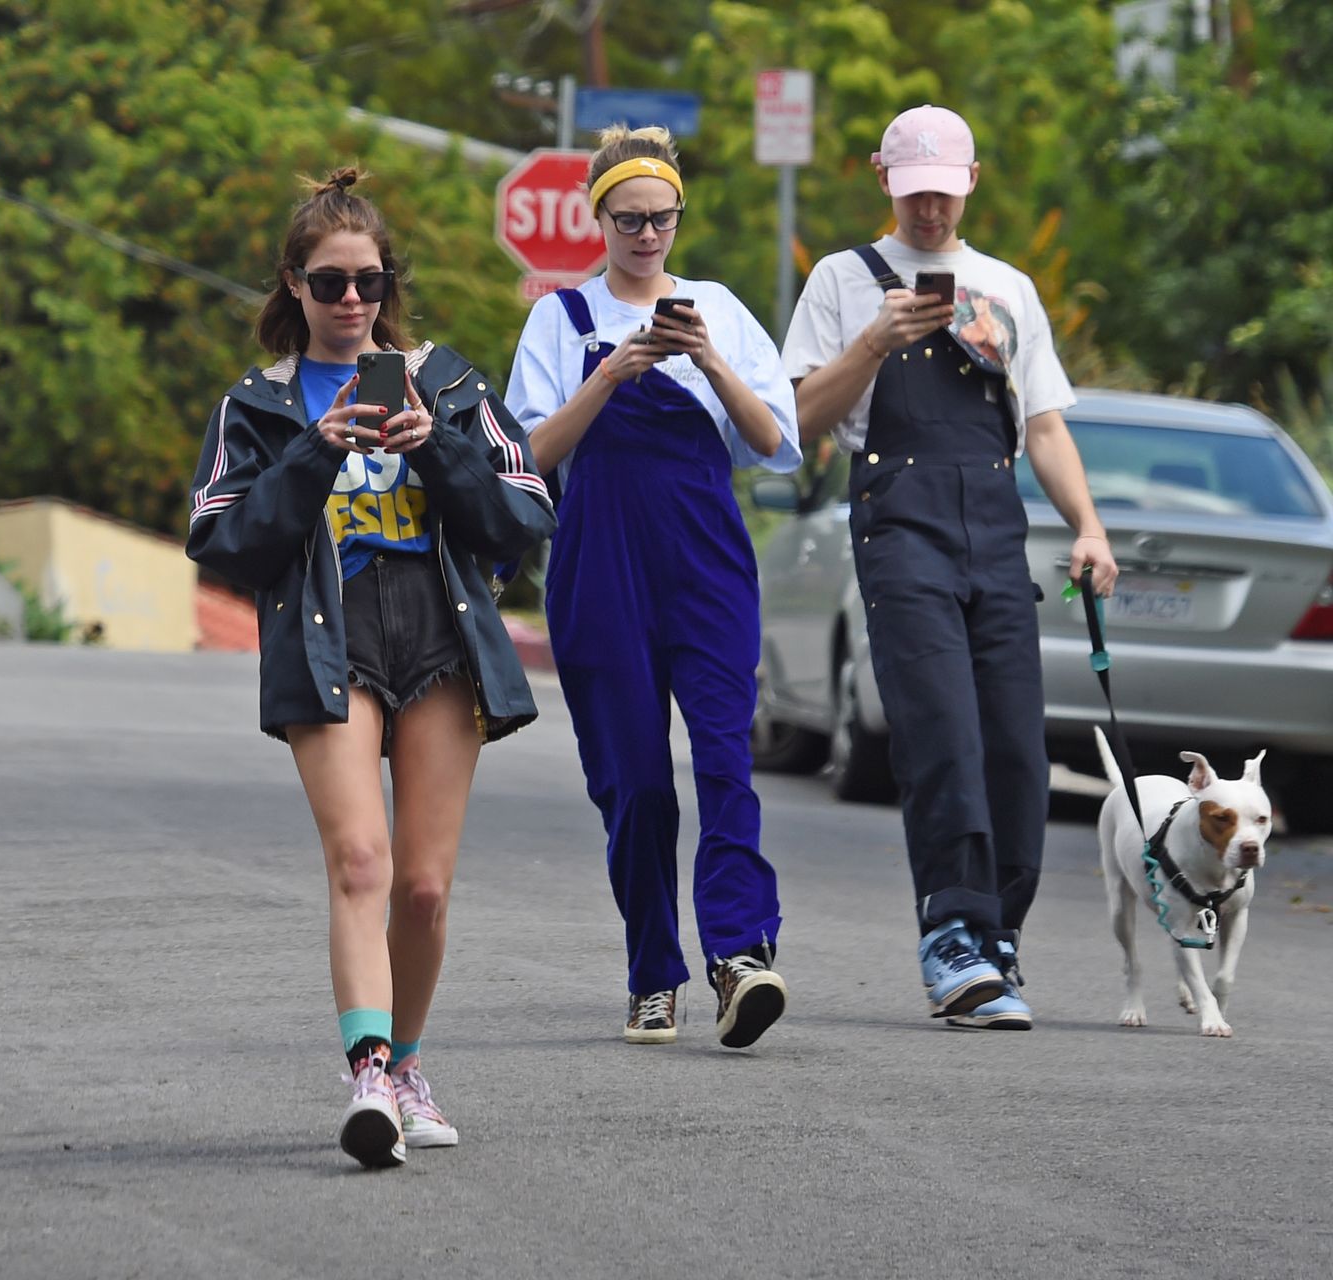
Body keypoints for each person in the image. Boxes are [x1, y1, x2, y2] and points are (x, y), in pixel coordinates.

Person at [186, 168, 554, 1169]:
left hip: (440, 638)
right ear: (292, 286)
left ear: (390, 284)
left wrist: (440, 451)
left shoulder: (449, 383)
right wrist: (313, 453)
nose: (352, 301)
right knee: (361, 861)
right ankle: (369, 1071)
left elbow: (524, 519)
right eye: (329, 282)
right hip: (328, 635)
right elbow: (219, 543)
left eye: (369, 281)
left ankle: (412, 1066)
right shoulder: (257, 406)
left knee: (425, 888)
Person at [781, 105, 1118, 1029]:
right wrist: (873, 345)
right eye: (912, 192)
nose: (929, 209)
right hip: (898, 520)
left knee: (1015, 747)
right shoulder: (844, 281)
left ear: (970, 184)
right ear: (886, 185)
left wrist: (1087, 528)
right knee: (940, 738)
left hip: (995, 523)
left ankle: (998, 939)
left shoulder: (1007, 286)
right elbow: (799, 422)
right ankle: (953, 940)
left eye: (943, 191)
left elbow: (1043, 426)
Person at [506, 125, 803, 1050]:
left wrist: (707, 359)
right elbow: (526, 456)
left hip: (707, 563)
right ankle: (651, 973)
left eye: (661, 218)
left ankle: (741, 954)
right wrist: (613, 374)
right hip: (601, 566)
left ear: (680, 216)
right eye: (628, 219)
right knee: (634, 781)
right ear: (599, 218)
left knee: (724, 757)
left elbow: (772, 441)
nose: (646, 235)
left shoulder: (717, 307)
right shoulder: (561, 320)